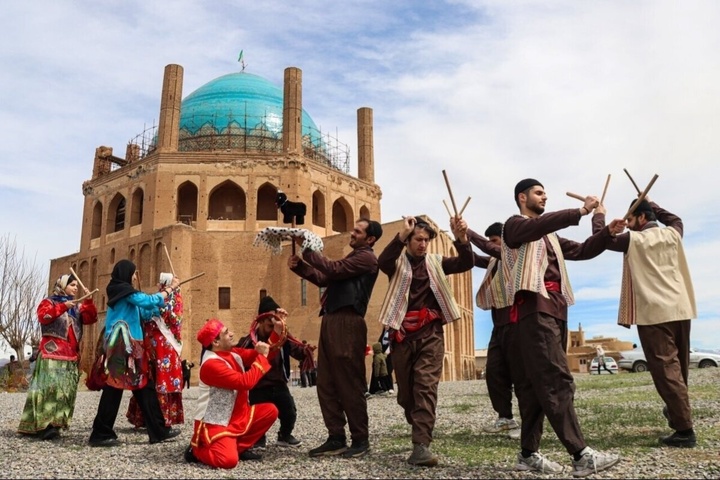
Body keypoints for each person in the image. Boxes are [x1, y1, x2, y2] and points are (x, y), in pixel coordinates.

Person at [500, 179, 624, 476]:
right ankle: (581, 455)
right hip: (534, 311)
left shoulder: (549, 237)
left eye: (545, 193)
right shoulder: (515, 226)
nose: (545, 197)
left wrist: (603, 226)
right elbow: (535, 227)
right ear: (522, 197)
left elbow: (583, 250)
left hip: (553, 312)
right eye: (539, 193)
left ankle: (528, 454)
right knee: (556, 380)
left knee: (533, 387)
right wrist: (580, 210)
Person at [596, 198, 696, 447]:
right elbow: (675, 219)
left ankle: (684, 431)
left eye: (630, 220)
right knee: (678, 368)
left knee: (667, 372)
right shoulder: (673, 233)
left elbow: (600, 238)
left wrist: (599, 215)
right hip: (681, 308)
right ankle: (676, 411)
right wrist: (653, 203)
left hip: (654, 313)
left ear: (641, 218)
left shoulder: (635, 240)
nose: (627, 225)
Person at [376, 215, 473, 467]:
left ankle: (421, 445)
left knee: (425, 388)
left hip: (430, 334)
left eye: (426, 240)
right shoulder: (396, 263)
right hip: (402, 335)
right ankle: (419, 420)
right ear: (408, 241)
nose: (423, 244)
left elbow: (466, 262)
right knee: (406, 396)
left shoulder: (436, 262)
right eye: (418, 239)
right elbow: (382, 260)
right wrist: (400, 235)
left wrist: (462, 238)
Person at [288, 217, 383, 458]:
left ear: (370, 239)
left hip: (347, 322)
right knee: (327, 382)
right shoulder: (353, 257)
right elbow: (324, 279)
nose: (352, 233)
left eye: (358, 231)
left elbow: (333, 270)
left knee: (349, 382)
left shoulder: (367, 258)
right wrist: (299, 267)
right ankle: (336, 437)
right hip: (331, 319)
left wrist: (306, 248)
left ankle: (360, 439)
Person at [88, 259, 181, 447]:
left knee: (143, 386)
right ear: (125, 273)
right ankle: (100, 433)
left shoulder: (126, 294)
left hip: (131, 346)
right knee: (114, 389)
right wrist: (168, 290)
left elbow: (144, 311)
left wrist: (161, 304)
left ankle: (158, 430)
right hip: (121, 344)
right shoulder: (121, 291)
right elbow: (146, 300)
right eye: (132, 273)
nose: (134, 276)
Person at [184, 319, 278, 468]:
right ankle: (196, 451)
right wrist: (261, 357)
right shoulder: (211, 365)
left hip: (237, 415)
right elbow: (245, 382)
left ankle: (237, 447)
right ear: (215, 342)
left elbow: (264, 353)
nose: (232, 334)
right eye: (227, 333)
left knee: (270, 411)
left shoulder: (232, 353)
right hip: (217, 422)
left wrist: (277, 332)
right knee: (227, 461)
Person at [17, 274, 98, 440]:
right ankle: (42, 425)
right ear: (62, 285)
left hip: (70, 355)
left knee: (64, 391)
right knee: (48, 390)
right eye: (72, 285)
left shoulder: (76, 307)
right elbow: (43, 317)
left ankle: (56, 424)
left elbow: (91, 318)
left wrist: (89, 302)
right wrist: (62, 307)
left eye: (76, 285)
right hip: (51, 354)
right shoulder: (49, 302)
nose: (75, 288)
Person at [236, 295, 315, 449]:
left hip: (278, 383)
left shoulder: (282, 336)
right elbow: (245, 358)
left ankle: (284, 435)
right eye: (269, 323)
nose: (273, 327)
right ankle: (258, 437)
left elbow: (296, 350)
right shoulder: (249, 340)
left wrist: (306, 351)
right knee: (258, 413)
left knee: (289, 412)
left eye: (275, 324)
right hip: (258, 386)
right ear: (259, 321)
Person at [468, 222, 521, 440]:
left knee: (523, 375)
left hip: (519, 324)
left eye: (494, 241)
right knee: (495, 373)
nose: (490, 246)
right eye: (488, 241)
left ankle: (530, 423)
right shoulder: (493, 263)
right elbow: (471, 258)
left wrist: (469, 232)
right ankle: (506, 418)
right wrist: (461, 240)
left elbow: (490, 251)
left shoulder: (514, 255)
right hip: (499, 326)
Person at [126, 279, 186, 428]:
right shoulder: (157, 298)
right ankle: (152, 418)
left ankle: (160, 418)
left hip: (164, 347)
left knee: (161, 379)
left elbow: (175, 320)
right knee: (151, 379)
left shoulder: (174, 300)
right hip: (152, 347)